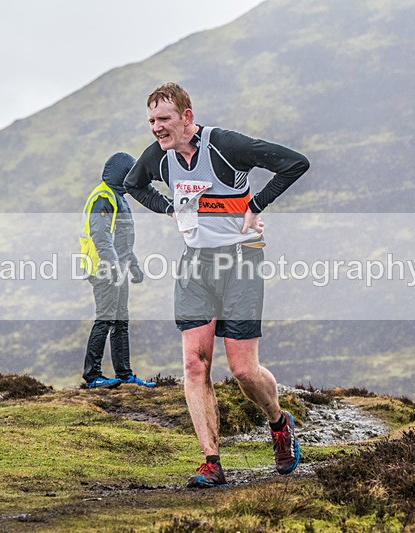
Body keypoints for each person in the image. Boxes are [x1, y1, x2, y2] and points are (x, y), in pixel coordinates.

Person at [124, 82, 310, 487]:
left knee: (243, 370)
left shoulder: (225, 145)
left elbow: (295, 163)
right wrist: (169, 207)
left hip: (241, 260)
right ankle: (211, 461)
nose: (156, 128)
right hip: (196, 265)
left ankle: (278, 422)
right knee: (195, 364)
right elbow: (133, 184)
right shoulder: (159, 157)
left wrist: (255, 205)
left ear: (186, 117)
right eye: (151, 120)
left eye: (164, 119)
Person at [79, 152, 155, 389]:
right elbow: (100, 236)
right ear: (123, 174)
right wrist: (112, 265)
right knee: (105, 319)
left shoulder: (118, 197)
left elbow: (122, 240)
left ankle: (124, 375)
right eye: (132, 173)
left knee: (121, 320)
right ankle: (93, 376)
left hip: (118, 268)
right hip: (104, 269)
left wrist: (134, 265)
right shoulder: (104, 197)